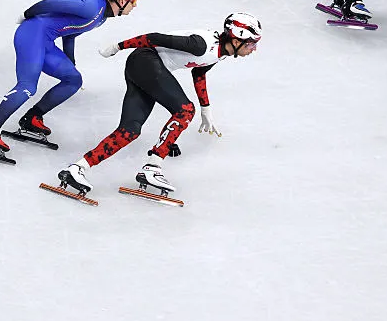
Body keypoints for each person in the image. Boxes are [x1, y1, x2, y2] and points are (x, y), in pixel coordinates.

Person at [57, 12, 262, 196]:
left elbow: (199, 72)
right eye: (252, 43)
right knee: (184, 110)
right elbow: (153, 38)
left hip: (144, 66)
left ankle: (77, 168)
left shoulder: (220, 53)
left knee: (130, 131)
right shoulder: (202, 45)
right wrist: (117, 47)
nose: (254, 49)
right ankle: (153, 166)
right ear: (237, 39)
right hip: (146, 61)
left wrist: (206, 109)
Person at [0, 0, 142, 155]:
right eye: (134, 1)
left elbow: (71, 33)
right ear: (122, 1)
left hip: (45, 40)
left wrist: (70, 60)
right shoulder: (92, 7)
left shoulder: (101, 17)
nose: (135, 6)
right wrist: (27, 14)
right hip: (31, 34)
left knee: (73, 79)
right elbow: (50, 3)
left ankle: (32, 118)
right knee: (28, 86)